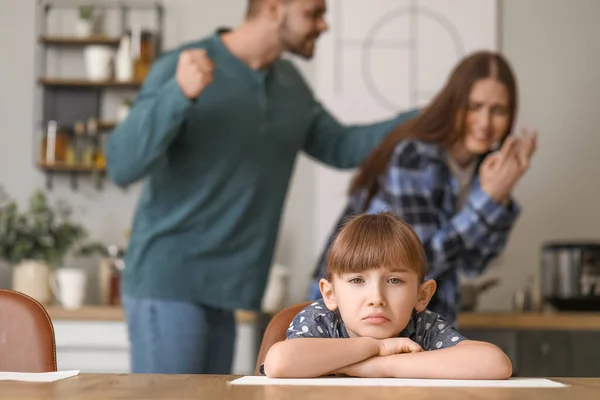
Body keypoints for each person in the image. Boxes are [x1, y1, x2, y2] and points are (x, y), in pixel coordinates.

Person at [105, 0, 418, 375]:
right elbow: (121, 165)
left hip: (231, 290)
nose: (323, 25)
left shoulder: (290, 85)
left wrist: (426, 118)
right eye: (313, 13)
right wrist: (178, 93)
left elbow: (343, 146)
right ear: (273, 8)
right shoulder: (184, 65)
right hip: (169, 282)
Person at [308, 51, 538, 325]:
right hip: (349, 315)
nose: (485, 122)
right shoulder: (414, 157)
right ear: (453, 104)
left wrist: (500, 196)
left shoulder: (484, 171)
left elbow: (473, 265)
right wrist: (487, 201)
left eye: (497, 110)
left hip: (417, 320)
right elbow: (419, 262)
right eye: (474, 106)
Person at [263, 212, 512, 379]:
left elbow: (495, 363)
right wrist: (377, 346)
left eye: (394, 281)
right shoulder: (321, 321)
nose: (376, 298)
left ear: (422, 295)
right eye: (357, 280)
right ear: (330, 294)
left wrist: (380, 366)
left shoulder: (423, 327)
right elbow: (278, 363)